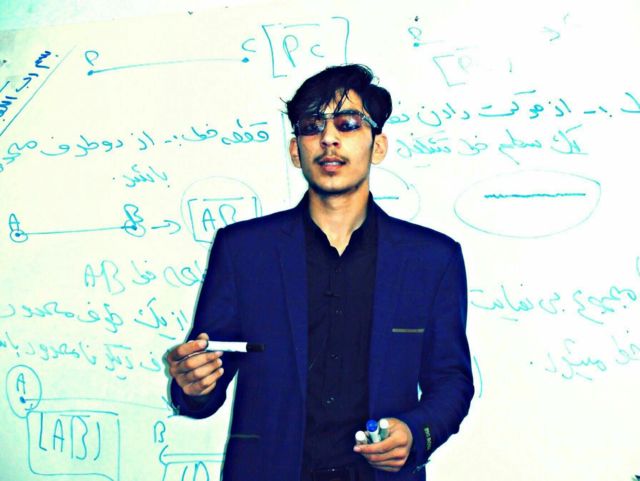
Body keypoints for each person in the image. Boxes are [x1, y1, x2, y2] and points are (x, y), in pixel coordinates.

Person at [167, 64, 474, 481]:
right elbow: (206, 374)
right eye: (312, 127)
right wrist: (193, 384)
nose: (329, 138)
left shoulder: (432, 258)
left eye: (348, 124)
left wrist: (416, 433)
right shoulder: (243, 250)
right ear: (296, 151)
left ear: (378, 146)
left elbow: (451, 380)